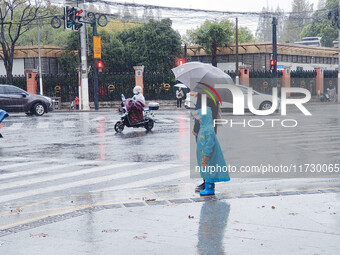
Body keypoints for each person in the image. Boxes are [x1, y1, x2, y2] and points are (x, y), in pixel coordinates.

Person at [196, 106, 230, 196]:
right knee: (206, 171)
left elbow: (209, 143)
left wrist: (206, 154)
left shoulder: (208, 129)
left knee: (209, 171)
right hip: (203, 156)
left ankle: (209, 188)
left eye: (200, 116)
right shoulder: (203, 127)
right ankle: (208, 187)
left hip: (207, 157)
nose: (199, 118)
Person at [193, 94, 221, 192]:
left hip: (203, 130)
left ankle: (207, 183)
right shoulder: (214, 94)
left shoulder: (204, 94)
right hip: (210, 129)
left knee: (204, 157)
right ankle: (209, 182)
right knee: (208, 157)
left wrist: (195, 128)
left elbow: (201, 114)